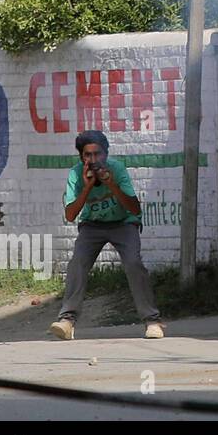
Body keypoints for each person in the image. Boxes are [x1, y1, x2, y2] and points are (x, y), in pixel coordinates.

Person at [49, 130, 165, 340]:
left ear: (106, 153)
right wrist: (87, 186)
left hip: (123, 223)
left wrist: (110, 183)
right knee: (78, 263)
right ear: (81, 157)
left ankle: (152, 321)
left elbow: (134, 208)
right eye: (88, 155)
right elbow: (71, 214)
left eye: (98, 154)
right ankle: (67, 321)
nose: (94, 160)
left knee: (132, 263)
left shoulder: (117, 169)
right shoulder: (76, 174)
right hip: (92, 226)